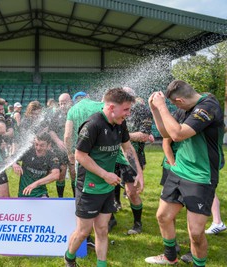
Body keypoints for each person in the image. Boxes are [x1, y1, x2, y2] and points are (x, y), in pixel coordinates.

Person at [145, 80, 224, 266]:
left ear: (179, 100)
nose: (173, 107)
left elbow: (178, 134)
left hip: (200, 177)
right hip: (179, 171)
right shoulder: (184, 109)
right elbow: (166, 133)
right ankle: (170, 257)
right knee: (163, 216)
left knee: (196, 233)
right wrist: (156, 110)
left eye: (173, 103)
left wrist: (163, 106)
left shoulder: (208, 107)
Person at [64, 88, 142, 267]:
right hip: (89, 186)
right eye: (126, 110)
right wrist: (105, 174)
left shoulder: (120, 122)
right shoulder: (92, 125)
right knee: (83, 232)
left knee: (102, 229)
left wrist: (138, 172)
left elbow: (128, 148)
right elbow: (80, 156)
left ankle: (101, 264)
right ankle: (69, 257)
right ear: (112, 107)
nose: (128, 114)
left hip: (107, 186)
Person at [112, 87, 152, 235]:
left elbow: (144, 135)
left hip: (132, 155)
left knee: (131, 192)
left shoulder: (142, 110)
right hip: (113, 154)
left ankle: (137, 223)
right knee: (109, 185)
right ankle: (113, 212)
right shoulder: (116, 109)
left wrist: (123, 136)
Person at [13, 132, 60, 197]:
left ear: (49, 145)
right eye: (36, 144)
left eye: (42, 145)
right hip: (24, 194)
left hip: (40, 194)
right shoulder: (28, 151)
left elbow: (56, 175)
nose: (38, 148)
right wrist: (15, 164)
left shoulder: (52, 157)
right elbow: (12, 158)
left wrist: (36, 184)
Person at [48, 93, 74, 198]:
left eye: (64, 103)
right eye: (60, 104)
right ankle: (60, 198)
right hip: (60, 149)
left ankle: (76, 199)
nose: (62, 106)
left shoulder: (75, 112)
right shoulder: (56, 114)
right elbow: (50, 130)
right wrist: (58, 141)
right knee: (61, 174)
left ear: (70, 102)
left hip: (73, 149)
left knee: (74, 174)